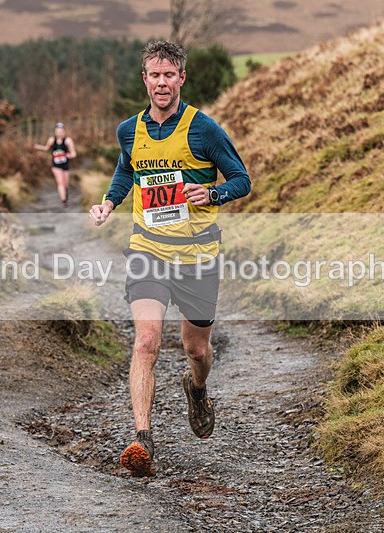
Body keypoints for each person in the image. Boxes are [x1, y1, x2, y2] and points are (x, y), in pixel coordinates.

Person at [88, 41, 251, 477]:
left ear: (181, 78)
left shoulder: (204, 130)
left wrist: (212, 192)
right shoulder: (129, 130)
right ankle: (142, 438)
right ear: (144, 79)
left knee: (196, 348)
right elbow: (128, 168)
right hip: (148, 249)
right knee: (146, 341)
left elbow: (242, 179)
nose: (161, 83)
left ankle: (197, 389)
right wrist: (109, 203)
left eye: (169, 75)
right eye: (153, 75)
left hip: (197, 254)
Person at [34, 122, 76, 207]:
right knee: (60, 182)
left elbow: (74, 154)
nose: (59, 133)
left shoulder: (68, 141)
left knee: (65, 184)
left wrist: (67, 155)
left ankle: (65, 194)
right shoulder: (52, 140)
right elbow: (46, 148)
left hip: (65, 165)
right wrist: (39, 147)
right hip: (56, 165)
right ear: (55, 131)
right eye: (57, 131)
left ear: (64, 131)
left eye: (61, 131)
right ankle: (64, 201)